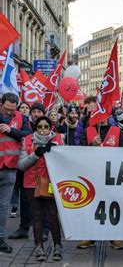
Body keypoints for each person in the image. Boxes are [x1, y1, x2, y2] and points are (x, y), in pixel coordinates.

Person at [77, 118, 123, 249]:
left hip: (112, 176)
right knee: (92, 205)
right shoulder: (88, 131)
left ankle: (114, 236)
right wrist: (91, 146)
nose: (102, 117)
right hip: (92, 175)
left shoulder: (117, 131)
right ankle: (90, 236)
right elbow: (77, 153)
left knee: (112, 206)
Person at [18, 116, 63, 261]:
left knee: (52, 216)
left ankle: (57, 245)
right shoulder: (27, 141)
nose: (43, 130)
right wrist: (37, 154)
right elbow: (21, 165)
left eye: (46, 127)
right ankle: (39, 246)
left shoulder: (59, 140)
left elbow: (66, 162)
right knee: (36, 216)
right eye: (40, 127)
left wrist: (57, 152)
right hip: (32, 184)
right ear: (35, 128)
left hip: (51, 183)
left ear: (51, 128)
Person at [0, 93, 32, 252]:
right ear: (1, 104)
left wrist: (11, 130)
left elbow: (28, 135)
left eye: (12, 110)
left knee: (3, 206)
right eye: (6, 109)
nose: (9, 112)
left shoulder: (21, 118)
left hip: (10, 168)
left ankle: (0, 239)